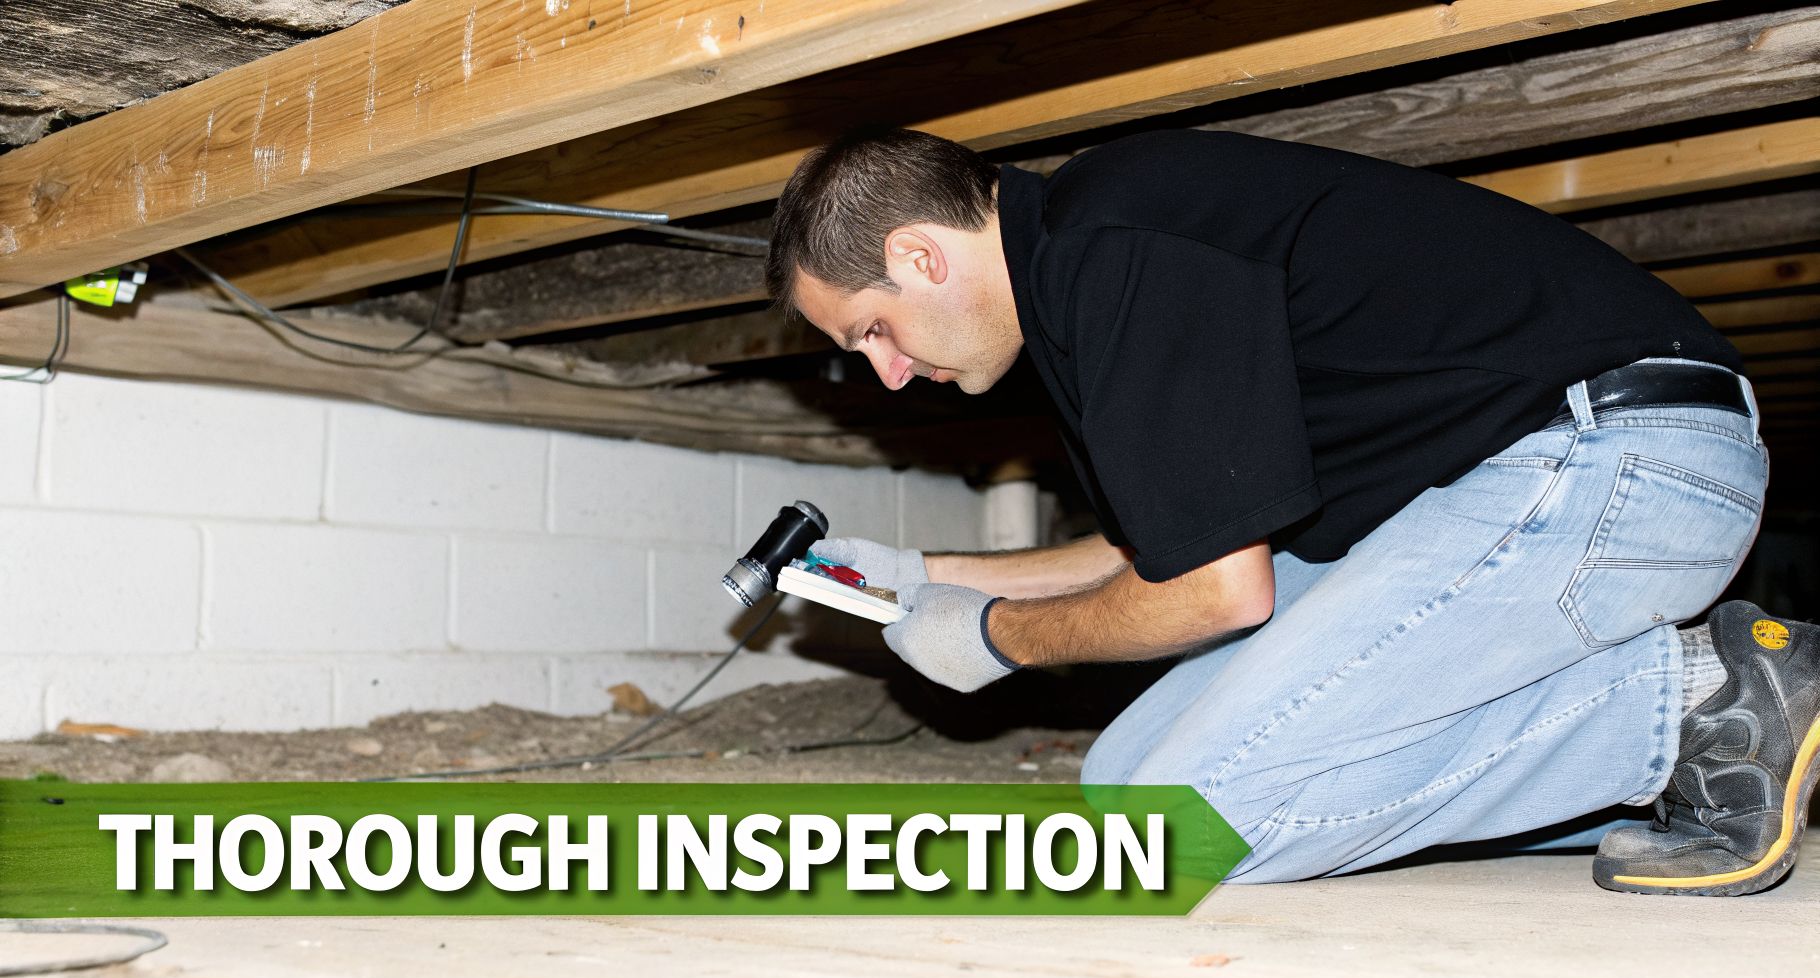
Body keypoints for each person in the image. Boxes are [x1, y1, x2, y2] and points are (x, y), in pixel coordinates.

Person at [764, 126, 1818, 894]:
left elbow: (1217, 592)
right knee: (1118, 786)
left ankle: (1699, 698)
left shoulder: (1113, 240)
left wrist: (1000, 639)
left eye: (871, 331)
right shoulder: (1082, 271)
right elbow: (1153, 550)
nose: (890, 374)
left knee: (1171, 832)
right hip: (1506, 481)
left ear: (916, 256)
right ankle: (1669, 756)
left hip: (1618, 459)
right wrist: (922, 575)